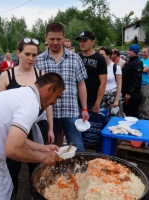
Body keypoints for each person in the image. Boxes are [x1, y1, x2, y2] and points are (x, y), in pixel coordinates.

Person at [0, 72, 64, 200]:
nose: (54, 102)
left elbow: (17, 139)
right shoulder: (30, 104)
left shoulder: (24, 94)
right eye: (57, 97)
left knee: (7, 192)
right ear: (49, 88)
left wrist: (43, 148)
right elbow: (13, 149)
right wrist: (43, 158)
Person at [0, 37, 54, 196]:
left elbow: (48, 104)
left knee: (37, 166)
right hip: (14, 127)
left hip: (37, 125)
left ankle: (36, 195)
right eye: (27, 54)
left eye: (34, 55)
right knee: (12, 165)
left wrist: (50, 128)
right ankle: (11, 194)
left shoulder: (41, 76)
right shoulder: (6, 76)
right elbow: (0, 106)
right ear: (18, 54)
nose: (30, 58)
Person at [34, 22, 89, 152]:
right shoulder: (38, 60)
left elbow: (81, 85)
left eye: (59, 39)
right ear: (45, 38)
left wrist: (85, 108)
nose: (55, 42)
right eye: (52, 39)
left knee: (78, 148)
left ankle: (80, 172)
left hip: (70, 111)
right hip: (46, 113)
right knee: (49, 149)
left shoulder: (75, 59)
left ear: (64, 37)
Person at [75, 30, 107, 114]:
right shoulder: (77, 57)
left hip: (92, 101)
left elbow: (103, 82)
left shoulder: (99, 58)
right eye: (80, 41)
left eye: (85, 41)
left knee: (93, 126)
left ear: (92, 42)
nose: (81, 43)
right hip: (77, 101)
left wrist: (97, 103)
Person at [122, 44, 143, 118]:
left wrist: (129, 93)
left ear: (135, 52)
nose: (128, 52)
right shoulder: (130, 61)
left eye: (130, 50)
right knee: (126, 113)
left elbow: (136, 80)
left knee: (132, 114)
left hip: (133, 95)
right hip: (126, 92)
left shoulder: (137, 63)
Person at [99, 47, 122, 115]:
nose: (100, 56)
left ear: (108, 55)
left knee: (112, 117)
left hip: (112, 95)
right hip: (101, 96)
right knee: (102, 116)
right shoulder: (99, 67)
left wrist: (117, 100)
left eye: (102, 54)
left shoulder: (115, 67)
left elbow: (119, 85)